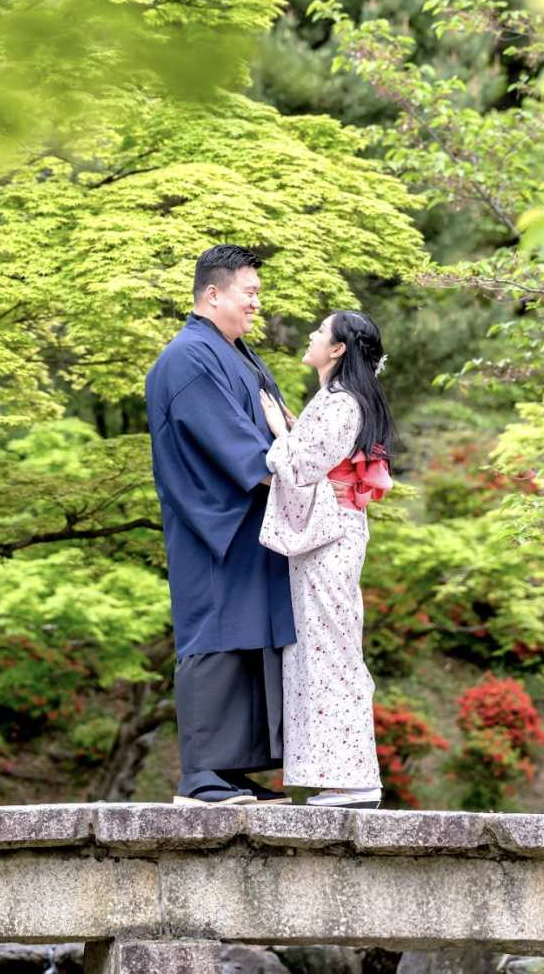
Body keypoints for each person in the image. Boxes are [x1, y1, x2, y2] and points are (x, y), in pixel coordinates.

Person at [145, 244, 296, 806]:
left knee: (250, 640)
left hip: (251, 525)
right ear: (213, 293)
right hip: (215, 524)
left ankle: (231, 771)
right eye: (248, 294)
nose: (257, 304)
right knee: (214, 639)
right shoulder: (188, 357)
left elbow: (282, 429)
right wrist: (288, 471)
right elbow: (243, 446)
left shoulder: (238, 354)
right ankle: (203, 776)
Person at [257, 310, 393, 809]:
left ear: (337, 350)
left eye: (320, 332)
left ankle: (352, 778)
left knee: (329, 650)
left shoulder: (340, 404)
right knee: (325, 648)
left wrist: (279, 430)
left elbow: (299, 465)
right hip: (336, 533)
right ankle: (342, 776)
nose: (313, 336)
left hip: (329, 537)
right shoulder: (341, 402)